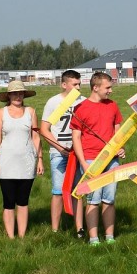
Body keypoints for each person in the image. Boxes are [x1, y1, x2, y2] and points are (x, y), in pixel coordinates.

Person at [71, 72, 125, 246]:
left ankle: (110, 237)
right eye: (107, 87)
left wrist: (120, 148)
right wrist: (82, 162)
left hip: (111, 160)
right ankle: (94, 239)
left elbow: (118, 132)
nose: (111, 91)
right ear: (95, 87)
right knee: (93, 200)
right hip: (90, 160)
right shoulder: (81, 109)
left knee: (109, 199)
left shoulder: (113, 106)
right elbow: (76, 138)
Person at [0, 81, 43, 239]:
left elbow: (35, 136)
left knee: (23, 200)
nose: (18, 96)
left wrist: (39, 159)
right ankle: (10, 236)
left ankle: (21, 236)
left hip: (27, 161)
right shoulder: (1, 113)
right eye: (14, 93)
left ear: (24, 95)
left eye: (20, 93)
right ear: (8, 96)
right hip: (6, 162)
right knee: (8, 201)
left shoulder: (31, 112)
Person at [40, 70, 84, 233]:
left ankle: (79, 228)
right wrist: (59, 148)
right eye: (74, 84)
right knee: (58, 191)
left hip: (78, 152)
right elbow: (45, 129)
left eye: (79, 84)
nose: (78, 87)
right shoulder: (53, 102)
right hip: (59, 153)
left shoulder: (83, 102)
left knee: (78, 190)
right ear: (64, 85)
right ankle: (55, 230)